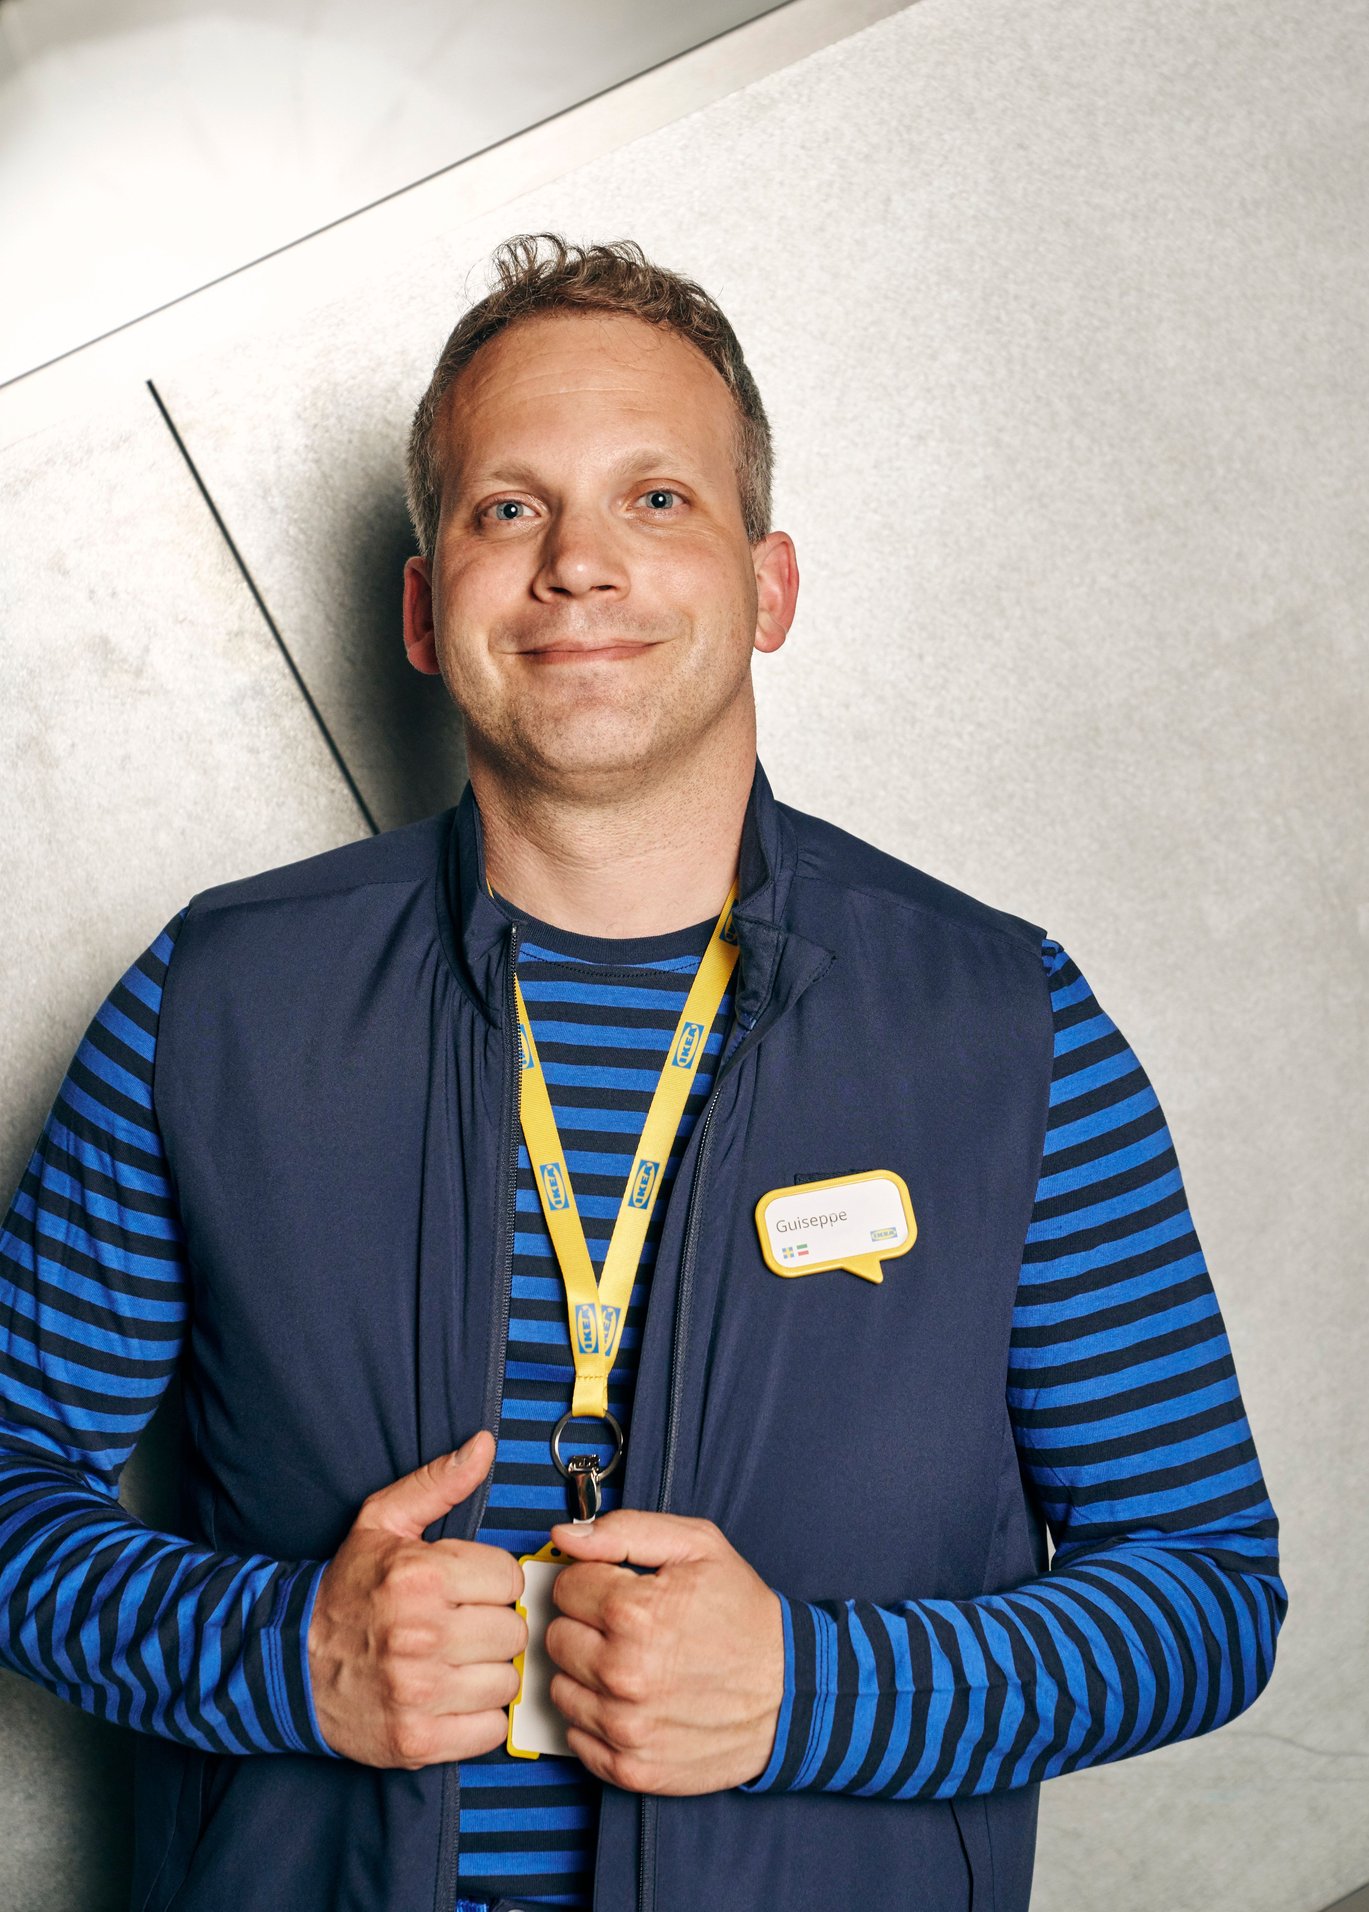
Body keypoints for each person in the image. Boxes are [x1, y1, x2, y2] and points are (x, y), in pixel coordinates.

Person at [0, 232, 1287, 1912]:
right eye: (506, 508)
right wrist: (283, 1656)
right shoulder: (217, 1002)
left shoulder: (1003, 1025)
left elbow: (1203, 1594)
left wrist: (809, 1694)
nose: (576, 567)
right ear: (420, 605)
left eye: (658, 500)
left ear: (771, 586)